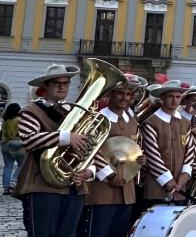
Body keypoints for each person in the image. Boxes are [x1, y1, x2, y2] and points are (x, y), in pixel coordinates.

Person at [18, 64, 93, 237]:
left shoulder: (73, 111)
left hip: (74, 187)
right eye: (56, 83)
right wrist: (65, 137)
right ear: (45, 86)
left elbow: (91, 147)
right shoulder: (31, 110)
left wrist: (89, 171)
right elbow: (28, 139)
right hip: (41, 186)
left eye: (66, 83)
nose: (62, 87)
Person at [80, 74, 141, 237]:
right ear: (110, 94)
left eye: (129, 94)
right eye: (120, 93)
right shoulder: (98, 118)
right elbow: (90, 149)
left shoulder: (133, 121)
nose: (125, 98)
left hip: (127, 191)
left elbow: (133, 150)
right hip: (102, 190)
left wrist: (140, 159)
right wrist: (109, 175)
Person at [140, 80, 196, 207]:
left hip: (180, 188)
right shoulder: (151, 122)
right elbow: (152, 155)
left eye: (178, 97)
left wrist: (184, 176)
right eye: (170, 96)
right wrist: (167, 180)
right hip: (156, 187)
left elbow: (190, 151)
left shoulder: (185, 123)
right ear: (162, 98)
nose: (174, 100)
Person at [1, 103, 23, 194]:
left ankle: (6, 188)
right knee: (23, 164)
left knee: (8, 166)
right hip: (17, 144)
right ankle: (13, 182)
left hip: (5, 144)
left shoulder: (5, 121)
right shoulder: (19, 120)